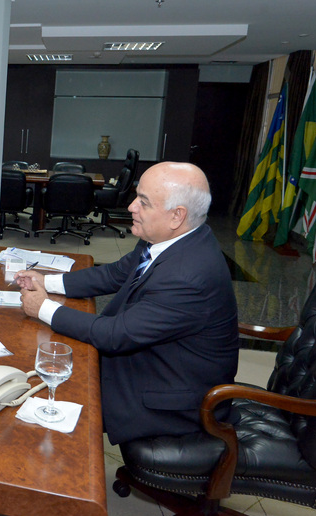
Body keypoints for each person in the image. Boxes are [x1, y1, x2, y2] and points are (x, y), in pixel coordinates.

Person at [15, 162, 238, 445]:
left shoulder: (187, 276)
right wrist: (46, 281)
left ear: (176, 216)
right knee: (41, 367)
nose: (131, 207)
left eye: (143, 202)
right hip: (155, 364)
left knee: (42, 400)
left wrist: (43, 308)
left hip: (171, 405)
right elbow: (113, 274)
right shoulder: (169, 239)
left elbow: (115, 335)